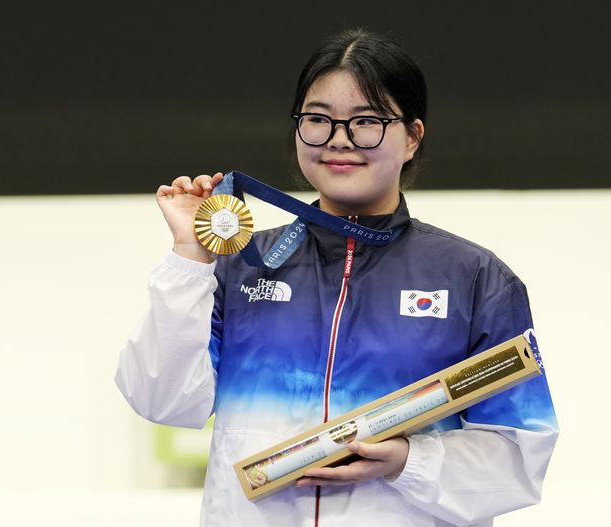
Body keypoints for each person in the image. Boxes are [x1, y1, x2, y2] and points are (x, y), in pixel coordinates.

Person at [116, 28, 558, 527]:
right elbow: (162, 400)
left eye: (366, 121)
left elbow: (520, 456)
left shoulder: (475, 278)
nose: (339, 140)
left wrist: (408, 462)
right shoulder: (243, 264)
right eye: (318, 120)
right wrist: (189, 257)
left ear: (412, 137)